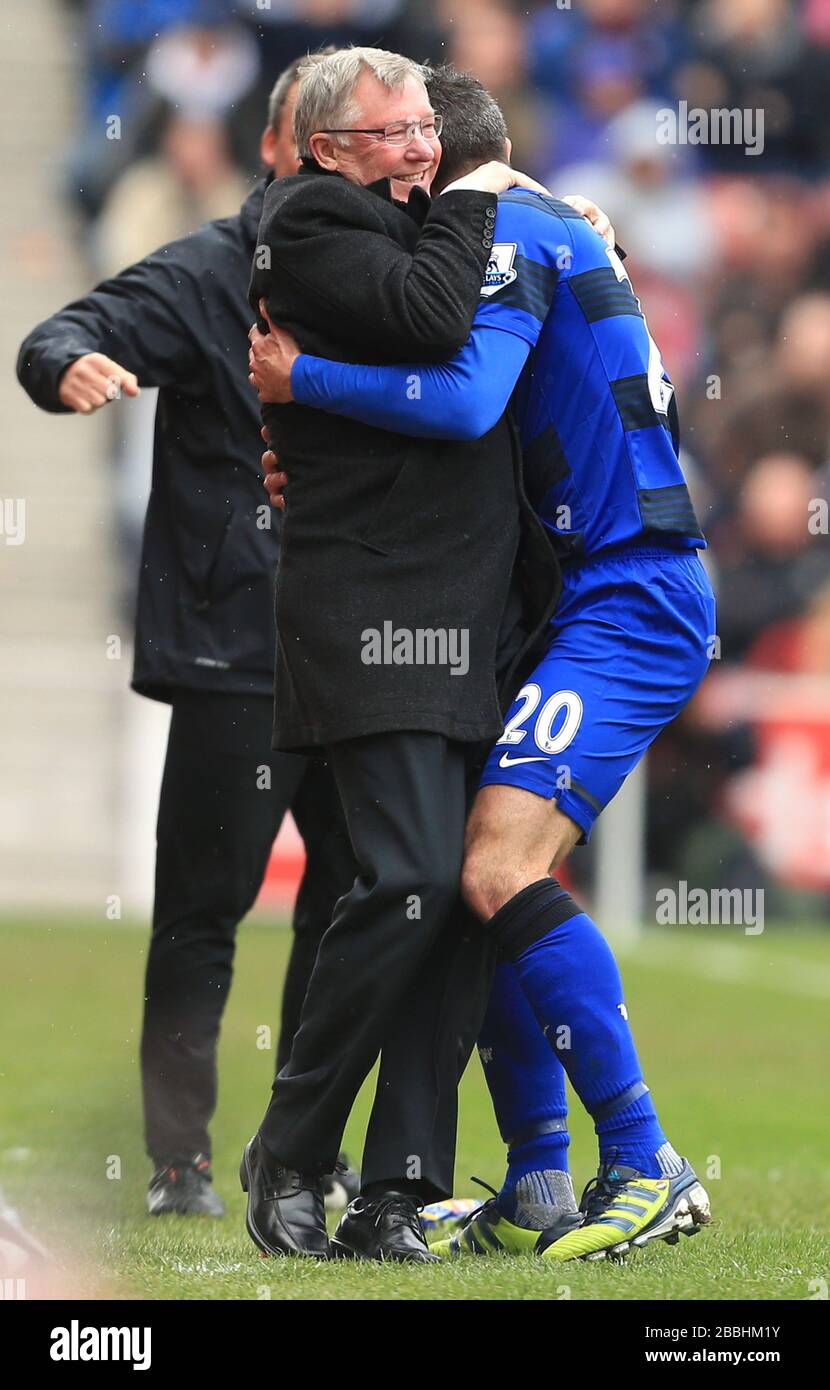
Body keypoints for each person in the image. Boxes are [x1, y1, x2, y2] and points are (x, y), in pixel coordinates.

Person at [249, 64, 716, 1265]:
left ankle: (642, 1158)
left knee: (497, 867)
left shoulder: (506, 224)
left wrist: (303, 381)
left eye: (414, 157)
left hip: (627, 594)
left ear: (440, 162)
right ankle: (538, 1179)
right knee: (471, 877)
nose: (406, 190)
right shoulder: (547, 221)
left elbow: (462, 402)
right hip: (578, 593)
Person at [238, 44, 572, 1265]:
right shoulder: (307, 218)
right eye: (396, 133)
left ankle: (396, 1189)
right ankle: (290, 1143)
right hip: (371, 608)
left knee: (460, 899)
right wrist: (491, 187)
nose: (423, 148)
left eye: (431, 127)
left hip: (468, 611)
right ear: (326, 148)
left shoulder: (405, 215)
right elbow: (437, 317)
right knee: (410, 878)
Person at [15, 53, 360, 1220]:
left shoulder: (398, 274)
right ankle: (179, 1162)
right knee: (202, 912)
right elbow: (65, 328)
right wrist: (66, 366)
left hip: (365, 649)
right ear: (276, 148)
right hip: (239, 651)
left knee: (360, 900)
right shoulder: (208, 272)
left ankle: (298, 1149)